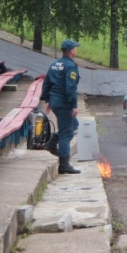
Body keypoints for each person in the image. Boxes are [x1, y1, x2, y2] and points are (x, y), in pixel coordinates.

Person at [40, 39, 82, 175]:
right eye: (75, 48)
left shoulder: (55, 64)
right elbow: (70, 88)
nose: (76, 50)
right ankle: (64, 165)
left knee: (74, 125)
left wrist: (47, 99)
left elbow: (46, 83)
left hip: (55, 102)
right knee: (66, 133)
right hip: (64, 103)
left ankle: (52, 143)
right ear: (71, 51)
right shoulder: (70, 66)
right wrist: (74, 106)